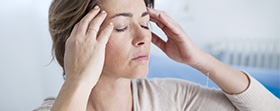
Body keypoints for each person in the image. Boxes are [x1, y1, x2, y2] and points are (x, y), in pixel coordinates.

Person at [34, 0, 280, 111]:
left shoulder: (172, 98)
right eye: (120, 27)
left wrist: (200, 60)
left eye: (144, 24)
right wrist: (78, 81)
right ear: (79, 40)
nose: (144, 38)